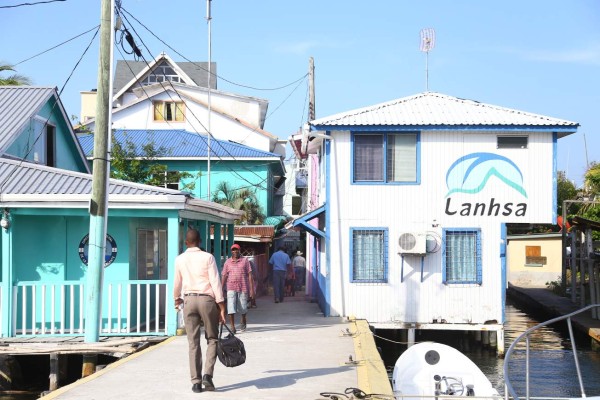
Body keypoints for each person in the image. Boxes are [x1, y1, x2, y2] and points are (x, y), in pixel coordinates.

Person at [174, 229, 226, 394]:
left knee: (193, 343)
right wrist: (222, 306)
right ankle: (207, 376)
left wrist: (176, 298)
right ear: (201, 241)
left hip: (188, 300)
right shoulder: (208, 257)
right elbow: (215, 282)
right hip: (207, 300)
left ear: (186, 243)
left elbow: (177, 282)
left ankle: (196, 383)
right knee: (212, 338)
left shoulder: (180, 259)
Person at [221, 244, 254, 333]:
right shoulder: (227, 262)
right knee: (231, 307)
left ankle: (243, 319)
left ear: (239, 251)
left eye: (236, 250)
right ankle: (232, 327)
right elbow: (224, 275)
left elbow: (250, 275)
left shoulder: (245, 261)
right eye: (233, 250)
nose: (235, 251)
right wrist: (221, 288)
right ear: (231, 251)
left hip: (243, 287)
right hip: (231, 287)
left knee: (243, 307)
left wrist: (252, 290)